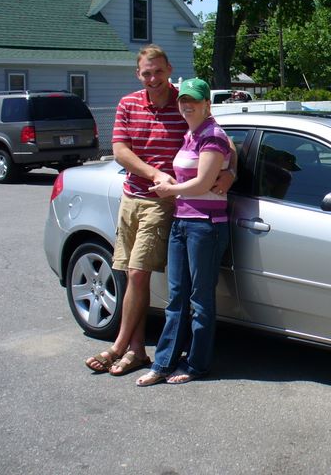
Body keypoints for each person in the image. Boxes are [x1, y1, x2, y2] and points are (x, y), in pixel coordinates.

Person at [85, 46, 233, 376]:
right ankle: (137, 349)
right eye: (146, 73)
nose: (153, 78)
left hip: (168, 202)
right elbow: (120, 151)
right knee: (132, 274)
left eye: (158, 71)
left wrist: (231, 171)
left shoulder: (186, 101)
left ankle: (119, 346)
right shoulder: (129, 104)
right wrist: (152, 173)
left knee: (139, 273)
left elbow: (223, 140)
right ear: (138, 75)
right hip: (132, 195)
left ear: (169, 69)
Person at [136, 78, 231, 386]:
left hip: (206, 225)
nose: (186, 104)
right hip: (182, 221)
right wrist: (232, 170)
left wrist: (170, 189)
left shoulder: (212, 135)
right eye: (183, 100)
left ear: (207, 104)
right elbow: (231, 157)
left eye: (194, 100)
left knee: (200, 299)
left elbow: (204, 183)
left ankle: (196, 365)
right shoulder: (191, 134)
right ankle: (162, 364)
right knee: (176, 296)